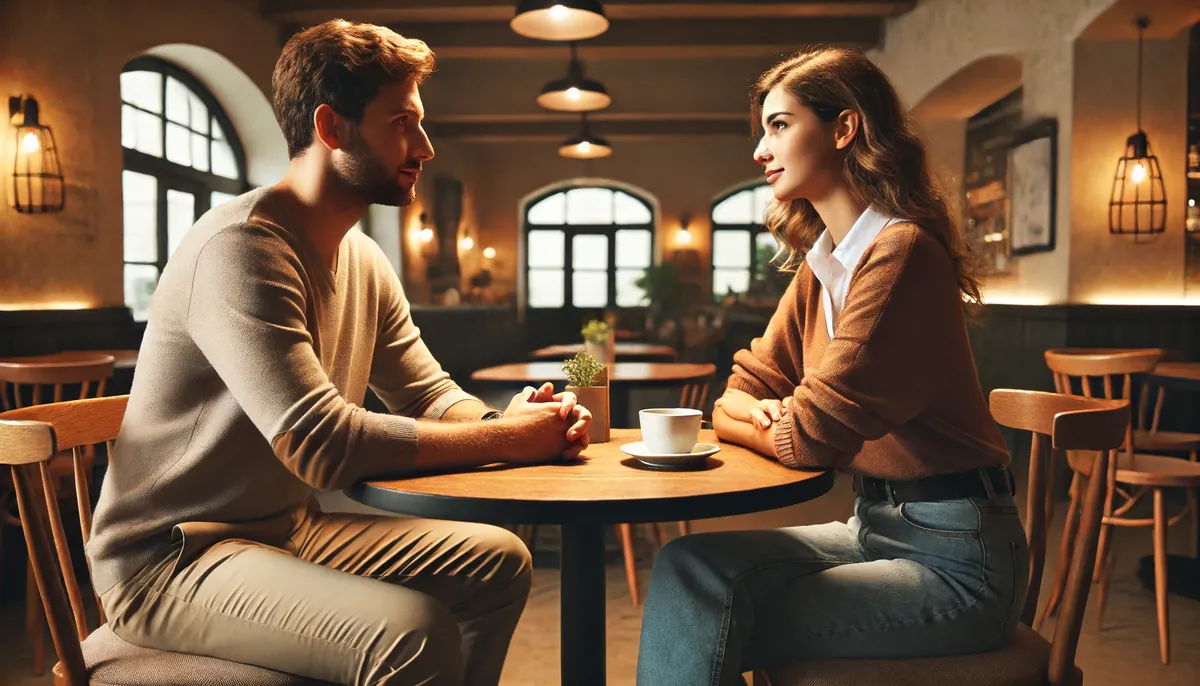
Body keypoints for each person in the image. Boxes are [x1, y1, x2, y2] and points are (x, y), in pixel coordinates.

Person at [87, 20, 590, 686]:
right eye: (402, 123)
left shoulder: (363, 258)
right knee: (413, 636)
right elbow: (317, 442)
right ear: (332, 128)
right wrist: (510, 442)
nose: (426, 146)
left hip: (285, 531)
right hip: (170, 559)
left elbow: (428, 395)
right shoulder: (241, 247)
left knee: (498, 561)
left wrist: (506, 424)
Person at [636, 48, 1029, 685]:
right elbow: (735, 395)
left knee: (714, 607)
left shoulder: (900, 253)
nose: (761, 150)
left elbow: (809, 439)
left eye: (779, 125)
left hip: (959, 561)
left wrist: (773, 420)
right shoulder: (823, 266)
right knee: (688, 568)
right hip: (872, 526)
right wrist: (760, 415)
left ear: (843, 129)